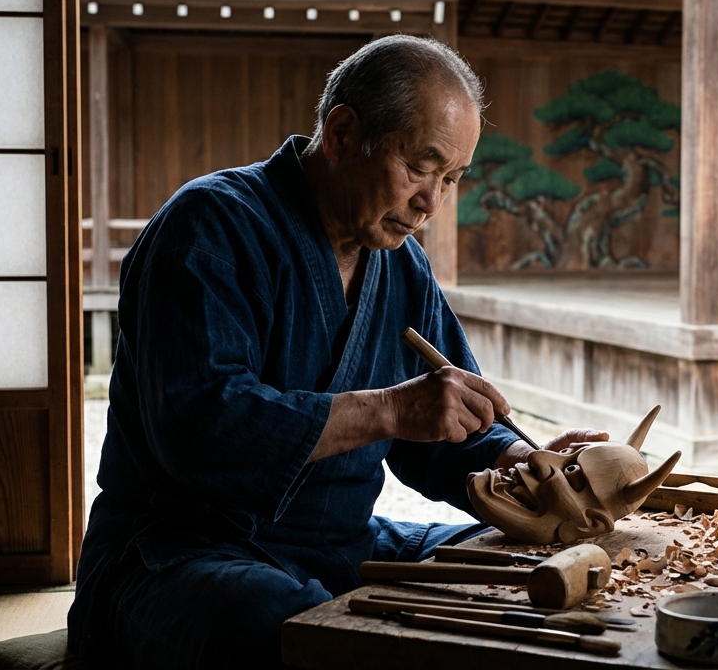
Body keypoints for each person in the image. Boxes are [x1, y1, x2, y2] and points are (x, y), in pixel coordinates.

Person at [68, 35, 604, 669]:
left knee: (520, 560)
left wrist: (526, 462)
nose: (431, 202)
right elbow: (199, 428)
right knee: (274, 620)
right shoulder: (209, 227)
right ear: (344, 133)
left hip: (341, 548)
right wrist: (386, 411)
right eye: (419, 168)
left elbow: (443, 421)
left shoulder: (402, 267)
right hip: (181, 554)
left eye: (451, 179)